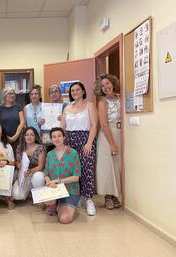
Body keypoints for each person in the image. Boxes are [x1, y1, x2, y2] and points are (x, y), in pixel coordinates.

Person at [61, 82, 98, 216]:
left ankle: (88, 200)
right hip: (70, 139)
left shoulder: (90, 105)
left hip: (85, 139)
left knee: (86, 168)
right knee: (72, 170)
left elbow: (94, 125)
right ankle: (73, 198)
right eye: (72, 90)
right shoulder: (66, 108)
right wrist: (62, 144)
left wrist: (89, 143)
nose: (75, 92)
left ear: (83, 91)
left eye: (77, 90)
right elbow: (63, 128)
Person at [94, 74, 122, 209]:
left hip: (120, 133)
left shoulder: (121, 98)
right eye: (102, 86)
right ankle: (108, 197)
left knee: (117, 166)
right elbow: (104, 124)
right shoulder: (102, 102)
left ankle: (116, 194)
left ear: (113, 83)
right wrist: (112, 144)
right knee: (107, 166)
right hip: (107, 136)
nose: (106, 87)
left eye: (107, 84)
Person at [44, 127, 81, 224]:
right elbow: (46, 174)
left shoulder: (73, 153)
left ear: (64, 137)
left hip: (70, 190)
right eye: (54, 137)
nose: (57, 139)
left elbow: (76, 177)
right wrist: (49, 183)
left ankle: (63, 205)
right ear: (51, 139)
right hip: (55, 189)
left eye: (59, 136)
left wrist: (57, 181)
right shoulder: (49, 154)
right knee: (46, 202)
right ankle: (55, 203)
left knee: (64, 219)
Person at [12, 127, 46, 201]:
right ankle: (30, 192)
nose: (29, 137)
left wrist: (30, 171)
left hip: (35, 173)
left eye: (32, 135)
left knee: (38, 177)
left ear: (35, 136)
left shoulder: (40, 148)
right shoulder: (20, 147)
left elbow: (41, 166)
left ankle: (39, 198)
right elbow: (16, 161)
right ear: (24, 136)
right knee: (17, 195)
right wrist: (17, 164)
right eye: (27, 135)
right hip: (23, 175)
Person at [0, 87, 25, 152]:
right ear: (4, 95)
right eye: (9, 93)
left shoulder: (18, 107)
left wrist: (16, 136)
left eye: (13, 93)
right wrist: (6, 137)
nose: (11, 95)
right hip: (3, 139)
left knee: (17, 159)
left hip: (18, 139)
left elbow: (22, 122)